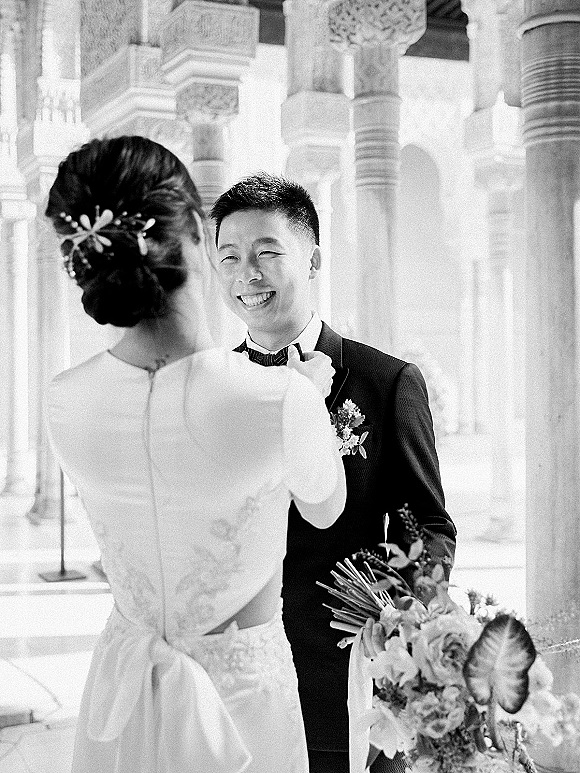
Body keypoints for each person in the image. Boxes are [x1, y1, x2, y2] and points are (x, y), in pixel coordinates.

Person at [44, 137, 346, 773]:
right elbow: (324, 508)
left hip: (121, 693)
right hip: (240, 703)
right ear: (200, 240)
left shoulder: (64, 400)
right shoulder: (278, 399)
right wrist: (306, 401)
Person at [210, 174, 458, 773]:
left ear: (314, 258)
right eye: (231, 258)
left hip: (345, 678)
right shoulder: (211, 390)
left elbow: (429, 528)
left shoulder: (387, 382)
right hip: (237, 680)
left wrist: (392, 619)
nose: (248, 274)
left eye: (268, 252)